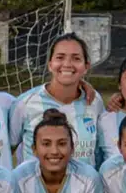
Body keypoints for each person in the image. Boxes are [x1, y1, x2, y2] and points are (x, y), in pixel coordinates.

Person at [9, 33, 104, 167]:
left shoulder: (94, 101)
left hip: (84, 187)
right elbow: (7, 150)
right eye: (60, 57)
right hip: (34, 187)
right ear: (50, 64)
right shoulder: (25, 103)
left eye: (76, 58)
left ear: (86, 67)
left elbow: (100, 151)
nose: (67, 64)